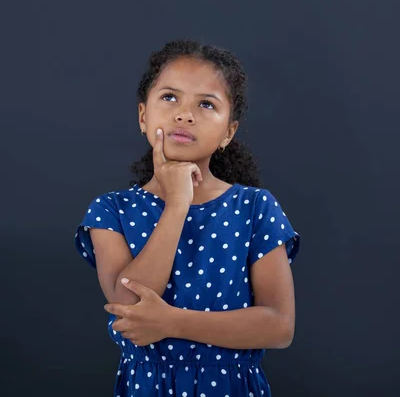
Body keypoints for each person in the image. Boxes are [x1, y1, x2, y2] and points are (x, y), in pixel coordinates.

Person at [75, 38, 301, 397]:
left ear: (228, 132)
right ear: (143, 116)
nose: (184, 114)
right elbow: (132, 309)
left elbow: (278, 326)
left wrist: (173, 323)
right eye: (169, 97)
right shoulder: (111, 211)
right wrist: (178, 204)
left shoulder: (256, 207)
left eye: (206, 104)